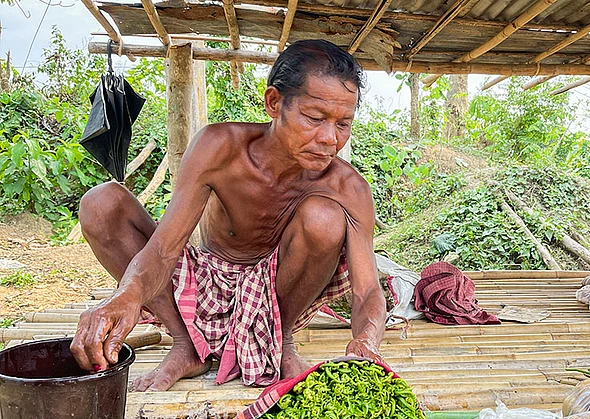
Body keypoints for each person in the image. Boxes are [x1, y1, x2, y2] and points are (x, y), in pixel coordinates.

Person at [70, 40, 387, 392]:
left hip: (278, 293)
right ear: (274, 102)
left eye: (343, 124)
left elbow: (367, 290)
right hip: (200, 281)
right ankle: (186, 343)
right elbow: (163, 249)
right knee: (101, 202)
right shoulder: (218, 147)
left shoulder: (347, 187)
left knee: (325, 218)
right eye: (314, 118)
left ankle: (280, 344)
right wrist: (126, 296)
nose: (330, 138)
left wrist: (367, 340)